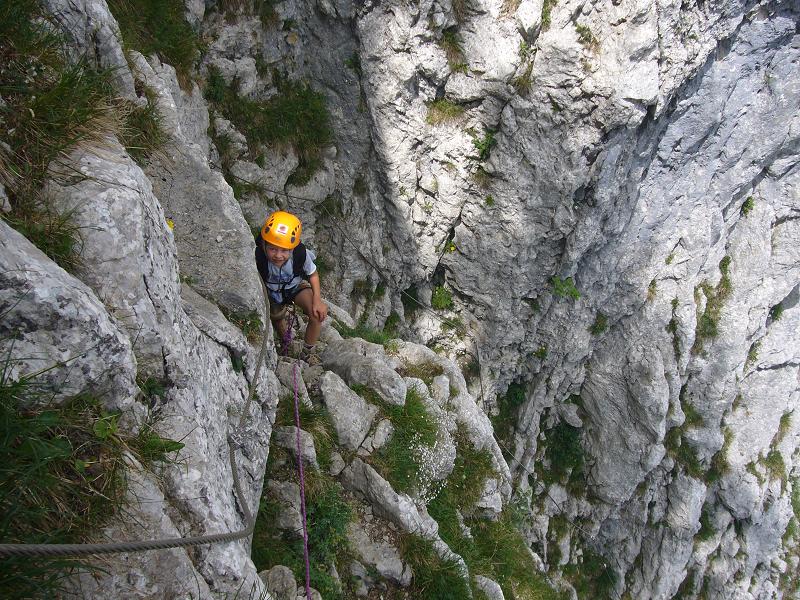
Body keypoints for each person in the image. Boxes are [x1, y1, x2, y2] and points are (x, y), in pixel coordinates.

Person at [255, 210, 328, 362]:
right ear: (264, 245)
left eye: (284, 250)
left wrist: (317, 301)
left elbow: (313, 274)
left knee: (316, 316)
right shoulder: (258, 256)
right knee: (275, 316)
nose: (278, 255)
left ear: (292, 248)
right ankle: (285, 342)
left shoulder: (300, 254)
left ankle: (307, 352)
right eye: (272, 249)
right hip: (270, 291)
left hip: (294, 287)